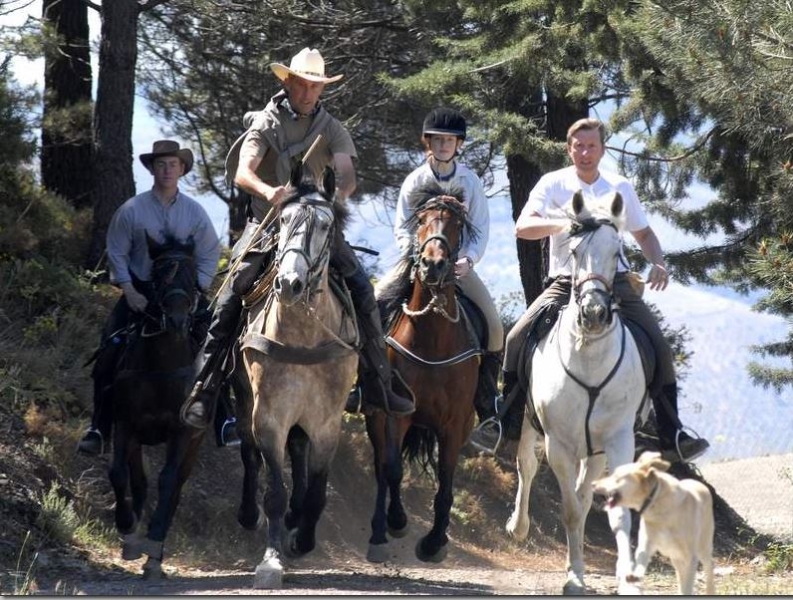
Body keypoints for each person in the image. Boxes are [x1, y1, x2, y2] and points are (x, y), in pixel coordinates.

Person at [181, 47, 414, 431]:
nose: (308, 93)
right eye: (302, 85)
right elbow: (243, 172)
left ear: (322, 89)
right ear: (288, 83)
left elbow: (346, 173)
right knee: (229, 294)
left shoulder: (332, 127)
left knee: (360, 287)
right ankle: (206, 387)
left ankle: (377, 382)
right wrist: (269, 192)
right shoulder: (266, 122)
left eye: (315, 87)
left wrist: (334, 200)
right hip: (267, 224)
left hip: (317, 225)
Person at [468, 117, 710, 463]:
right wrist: (565, 223)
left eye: (591, 146)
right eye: (578, 146)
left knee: (658, 344)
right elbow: (523, 227)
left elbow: (644, 235)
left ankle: (672, 433)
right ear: (569, 149)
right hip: (566, 281)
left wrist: (658, 262)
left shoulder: (620, 187)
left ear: (603, 148)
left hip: (616, 281)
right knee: (516, 338)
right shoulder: (552, 184)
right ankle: (505, 426)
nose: (584, 152)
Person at [77, 140, 222, 456]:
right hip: (140, 293)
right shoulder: (132, 210)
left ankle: (226, 420)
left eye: (173, 164)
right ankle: (99, 428)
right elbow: (115, 250)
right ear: (152, 169)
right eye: (161, 164)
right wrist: (128, 290)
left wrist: (198, 287)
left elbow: (211, 250)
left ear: (181, 169)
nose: (167, 170)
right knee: (106, 355)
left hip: (182, 296)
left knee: (217, 347)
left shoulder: (195, 213)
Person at [374, 107, 504, 420]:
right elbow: (402, 228)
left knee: (495, 327)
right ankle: (367, 383)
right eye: (437, 139)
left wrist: (467, 261)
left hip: (457, 267)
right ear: (427, 143)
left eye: (450, 140)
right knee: (375, 303)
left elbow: (481, 230)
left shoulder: (470, 182)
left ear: (459, 144)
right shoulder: (414, 180)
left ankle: (486, 399)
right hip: (416, 262)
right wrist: (415, 257)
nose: (443, 145)